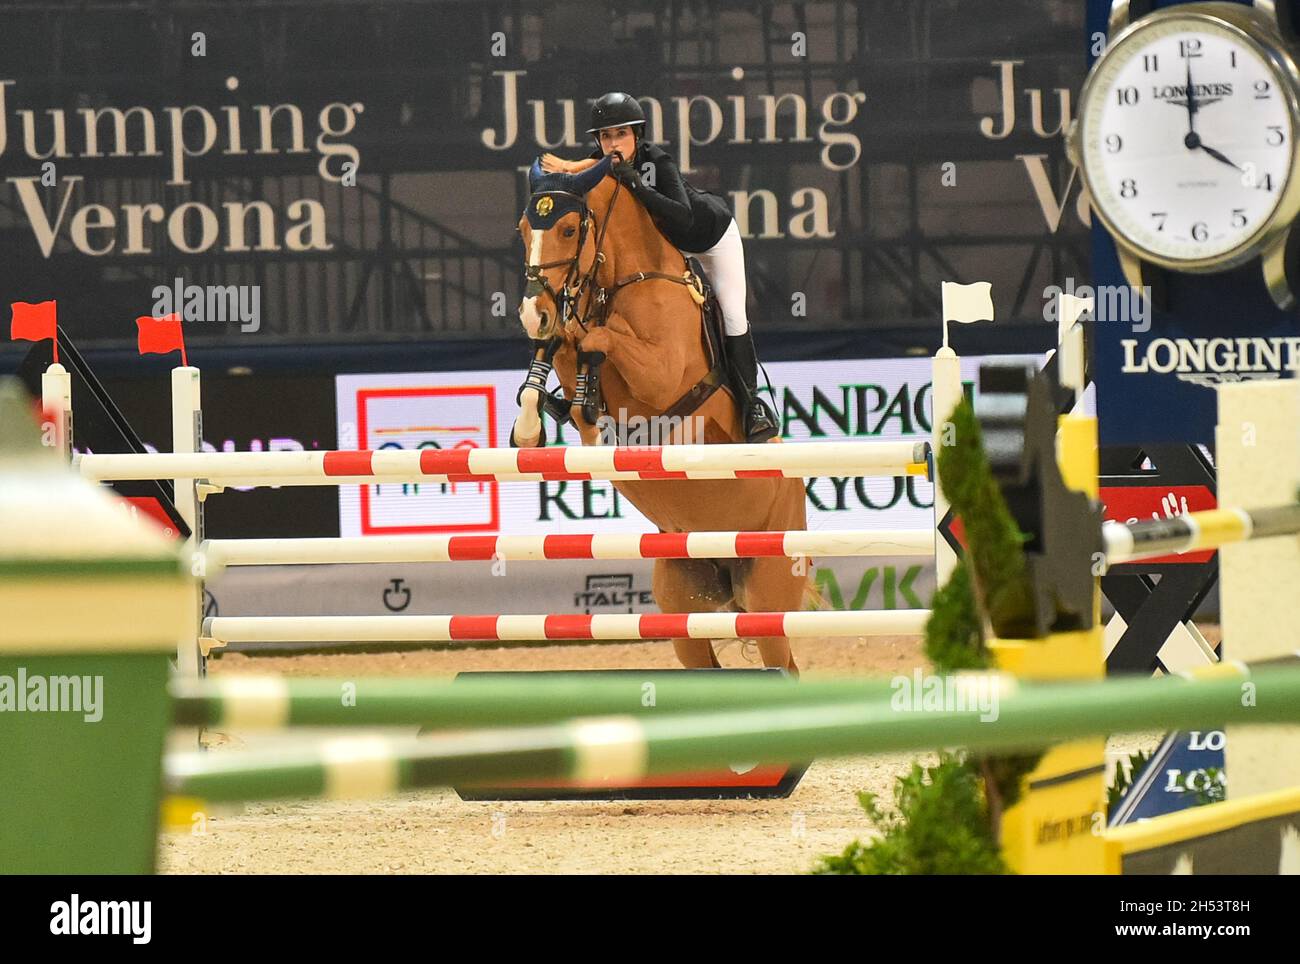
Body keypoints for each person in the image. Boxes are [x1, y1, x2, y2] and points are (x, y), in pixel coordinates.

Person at [546, 91, 778, 443]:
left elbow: (682, 216)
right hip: (667, 249)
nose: (613, 144)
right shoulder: (602, 164)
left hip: (709, 238)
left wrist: (636, 184)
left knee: (732, 315)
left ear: (636, 136)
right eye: (606, 136)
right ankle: (574, 391)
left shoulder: (657, 160)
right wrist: (563, 172)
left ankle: (752, 406)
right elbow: (579, 175)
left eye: (620, 134)